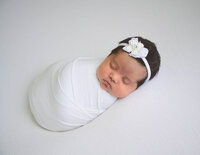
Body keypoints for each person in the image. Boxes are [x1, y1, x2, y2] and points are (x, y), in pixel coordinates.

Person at [28, 36, 161, 131]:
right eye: (113, 66)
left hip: (54, 117)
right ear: (107, 56)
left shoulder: (107, 101)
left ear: (135, 88)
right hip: (44, 89)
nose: (113, 77)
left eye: (125, 81)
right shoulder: (85, 66)